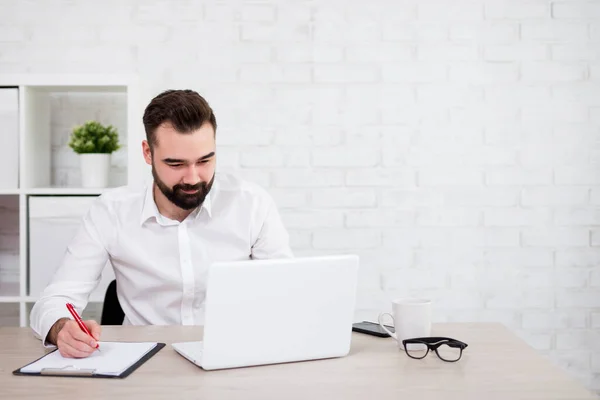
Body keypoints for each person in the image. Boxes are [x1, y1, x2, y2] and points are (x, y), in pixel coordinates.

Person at [30, 89, 293, 358]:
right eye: (175, 163)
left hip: (233, 355)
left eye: (205, 160)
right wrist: (61, 328)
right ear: (148, 152)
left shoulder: (252, 204)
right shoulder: (111, 211)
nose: (193, 178)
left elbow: (288, 292)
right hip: (144, 361)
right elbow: (54, 300)